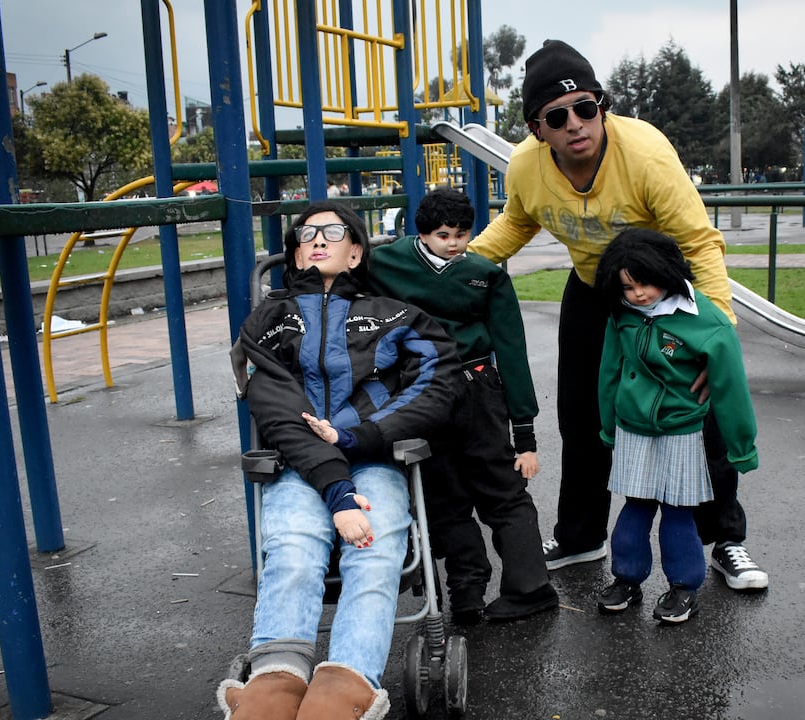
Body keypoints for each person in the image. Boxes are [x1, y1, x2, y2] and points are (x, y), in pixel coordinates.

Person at [467, 39, 769, 591]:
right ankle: (582, 536)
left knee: (698, 411)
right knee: (582, 417)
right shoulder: (526, 167)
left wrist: (714, 332)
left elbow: (700, 245)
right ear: (537, 128)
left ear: (602, 107)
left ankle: (726, 539)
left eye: (588, 107)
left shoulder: (645, 153)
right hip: (592, 291)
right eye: (557, 117)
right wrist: (454, 268)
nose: (577, 124)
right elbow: (516, 224)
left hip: (667, 295)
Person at [219, 201, 459, 719]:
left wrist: (361, 436)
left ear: (355, 252)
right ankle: (273, 684)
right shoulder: (268, 323)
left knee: (375, 549)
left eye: (333, 231)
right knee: (294, 549)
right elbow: (278, 412)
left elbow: (439, 380)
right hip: (302, 467)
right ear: (295, 255)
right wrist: (337, 488)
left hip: (373, 458)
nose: (318, 239)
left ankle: (347, 682)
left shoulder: (396, 316)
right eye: (306, 234)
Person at [369, 187, 558, 625]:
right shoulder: (385, 263)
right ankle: (466, 590)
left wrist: (524, 432)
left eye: (462, 234)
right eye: (443, 235)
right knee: (442, 492)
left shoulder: (485, 274)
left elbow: (511, 349)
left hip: (476, 384)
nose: (453, 243)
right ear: (421, 232)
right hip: (420, 388)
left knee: (500, 487)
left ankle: (531, 587)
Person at [592, 229, 758, 623]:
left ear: (668, 272)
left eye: (646, 283)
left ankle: (684, 587)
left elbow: (731, 388)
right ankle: (627, 579)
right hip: (634, 427)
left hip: (682, 428)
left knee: (678, 510)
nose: (640, 295)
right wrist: (608, 426)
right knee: (635, 506)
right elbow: (609, 371)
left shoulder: (707, 322)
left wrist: (742, 447)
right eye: (628, 287)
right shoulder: (623, 314)